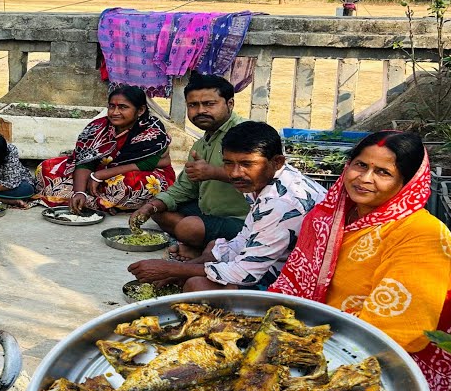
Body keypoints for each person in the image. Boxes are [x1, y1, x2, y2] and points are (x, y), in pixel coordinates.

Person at [270, 130, 451, 391]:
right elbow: (291, 285)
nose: (364, 178)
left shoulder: (422, 235)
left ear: (407, 182)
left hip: (383, 358)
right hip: (316, 333)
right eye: (360, 165)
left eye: (383, 172)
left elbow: (400, 332)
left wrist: (308, 346)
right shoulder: (326, 218)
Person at [127, 121, 325, 291]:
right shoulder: (263, 180)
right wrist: (186, 268)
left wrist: (172, 269)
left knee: (197, 286)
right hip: (277, 256)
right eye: (228, 163)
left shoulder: (281, 202)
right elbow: (244, 239)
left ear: (277, 162)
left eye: (247, 164)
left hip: (302, 279)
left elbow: (245, 273)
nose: (235, 173)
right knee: (214, 248)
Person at [128, 73, 250, 257]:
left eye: (209, 104)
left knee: (188, 228)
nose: (201, 111)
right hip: (208, 211)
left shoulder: (247, 134)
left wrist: (214, 173)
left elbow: (264, 177)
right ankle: (211, 246)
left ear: (230, 104)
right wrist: (151, 206)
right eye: (193, 105)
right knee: (158, 209)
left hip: (245, 220)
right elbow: (184, 188)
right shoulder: (201, 143)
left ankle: (208, 247)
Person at [35, 85, 175, 214]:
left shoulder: (152, 131)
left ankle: (95, 199)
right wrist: (79, 192)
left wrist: (100, 175)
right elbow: (84, 161)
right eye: (111, 106)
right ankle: (92, 199)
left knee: (131, 185)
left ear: (140, 110)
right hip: (99, 171)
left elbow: (147, 164)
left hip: (136, 173)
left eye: (123, 107)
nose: (115, 112)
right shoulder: (98, 127)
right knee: (47, 167)